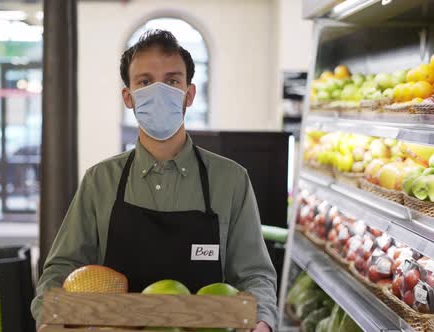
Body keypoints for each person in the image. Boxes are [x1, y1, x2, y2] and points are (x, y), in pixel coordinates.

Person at [31, 30, 277, 332]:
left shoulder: (231, 180)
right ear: (129, 97)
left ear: (189, 94)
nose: (159, 91)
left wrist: (262, 320)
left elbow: (254, 274)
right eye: (145, 82)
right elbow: (61, 269)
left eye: (172, 81)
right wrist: (48, 318)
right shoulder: (100, 181)